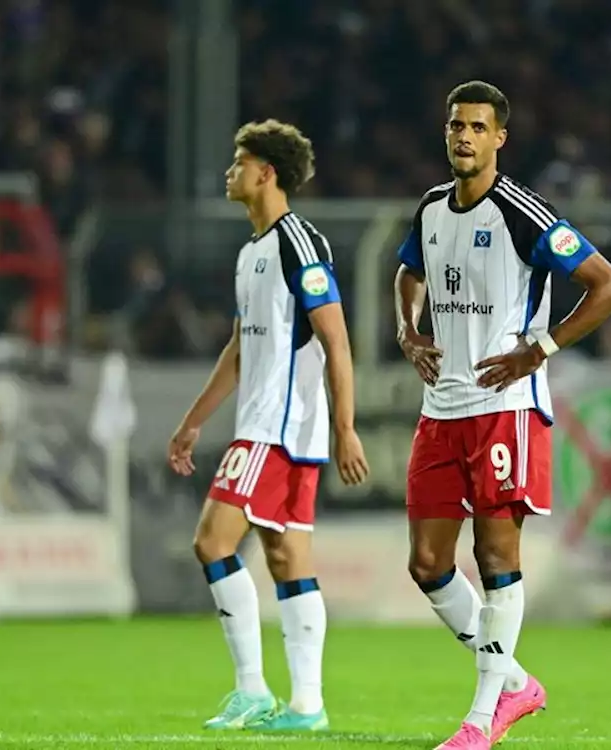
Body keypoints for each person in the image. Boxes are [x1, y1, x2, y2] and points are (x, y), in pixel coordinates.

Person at [394, 81, 611, 750]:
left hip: (505, 410)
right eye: (455, 125)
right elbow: (407, 271)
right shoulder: (432, 208)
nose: (463, 136)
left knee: (495, 554)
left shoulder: (522, 213)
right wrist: (407, 332)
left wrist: (541, 349)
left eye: (476, 126)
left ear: (500, 138)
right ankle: (516, 680)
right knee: (426, 564)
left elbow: (609, 285)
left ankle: (481, 719)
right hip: (441, 409)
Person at [167, 120, 369, 734]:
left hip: (277, 431)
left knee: (211, 543)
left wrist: (346, 427)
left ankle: (252, 690)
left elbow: (336, 340)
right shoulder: (252, 251)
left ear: (266, 173)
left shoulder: (298, 245)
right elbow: (239, 348)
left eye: (239, 161)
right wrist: (192, 423)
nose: (230, 172)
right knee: (285, 557)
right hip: (269, 427)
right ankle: (307, 707)